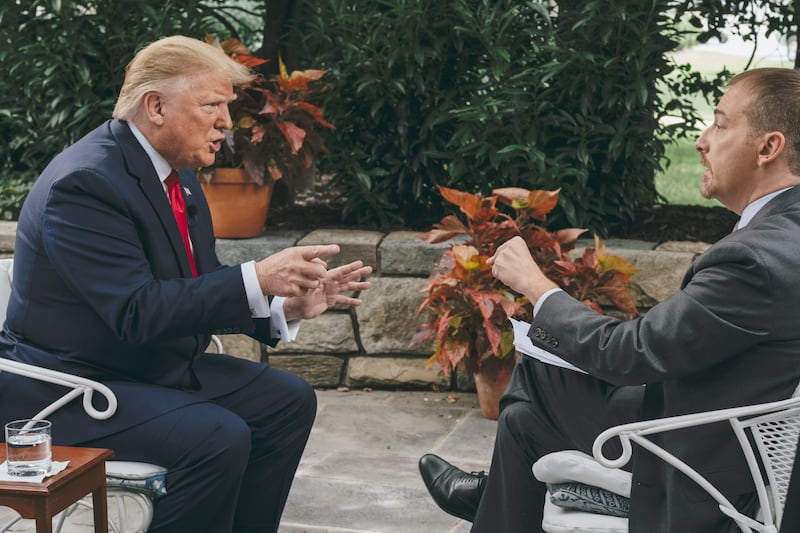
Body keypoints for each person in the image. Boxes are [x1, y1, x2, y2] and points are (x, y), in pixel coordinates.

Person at [0, 35, 371, 533]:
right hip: (72, 388)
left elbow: (194, 286)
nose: (225, 122)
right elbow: (137, 311)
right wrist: (257, 276)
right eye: (212, 105)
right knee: (217, 436)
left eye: (227, 107)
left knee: (287, 401)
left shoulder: (179, 173)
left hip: (143, 367)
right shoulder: (85, 184)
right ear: (156, 106)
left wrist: (280, 305)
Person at [419, 67, 800, 532]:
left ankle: (489, 501)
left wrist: (537, 286)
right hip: (730, 430)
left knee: (539, 375)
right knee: (523, 418)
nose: (702, 141)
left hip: (698, 464)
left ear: (768, 147)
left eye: (720, 124)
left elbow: (632, 353)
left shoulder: (754, 261)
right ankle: (492, 501)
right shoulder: (784, 236)